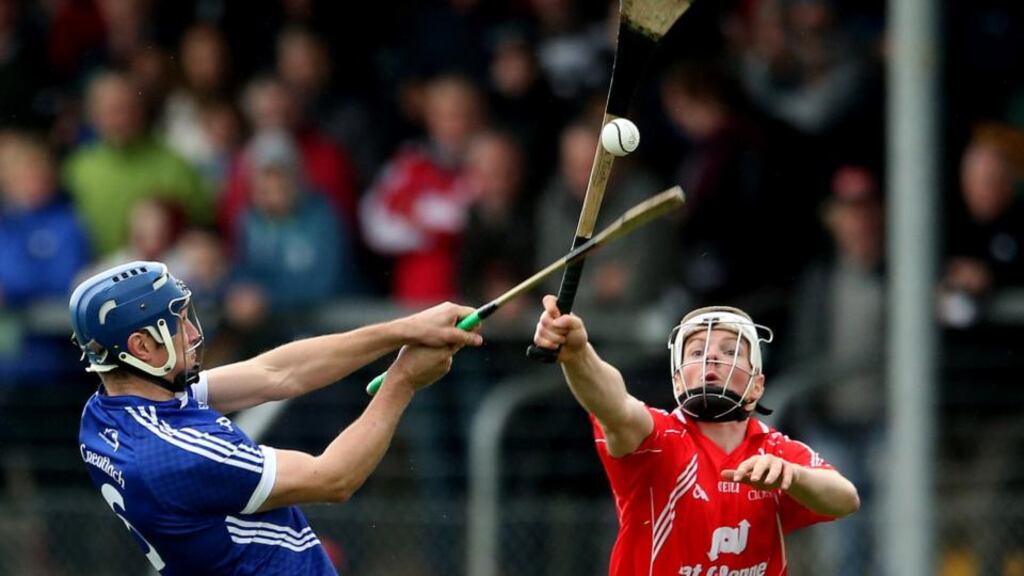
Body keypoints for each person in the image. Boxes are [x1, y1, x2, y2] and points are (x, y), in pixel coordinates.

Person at [73, 260, 482, 575]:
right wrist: (403, 381)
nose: (194, 334)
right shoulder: (175, 456)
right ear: (141, 345)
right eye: (176, 322)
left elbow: (277, 374)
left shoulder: (108, 413)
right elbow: (334, 478)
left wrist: (406, 330)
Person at [532, 298, 859, 575]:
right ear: (677, 381)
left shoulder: (774, 451)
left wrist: (795, 477)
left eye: (730, 350)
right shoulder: (658, 439)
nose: (711, 358)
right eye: (697, 351)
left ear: (757, 386)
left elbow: (846, 499)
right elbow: (614, 405)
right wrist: (578, 355)